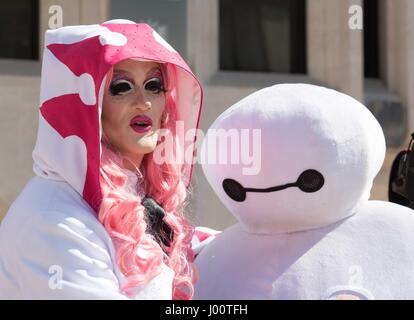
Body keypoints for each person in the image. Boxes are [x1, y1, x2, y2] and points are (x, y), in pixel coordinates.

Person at [0, 19, 203, 299]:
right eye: (121, 87)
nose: (143, 102)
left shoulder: (134, 199)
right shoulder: (54, 221)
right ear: (84, 103)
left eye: (154, 85)